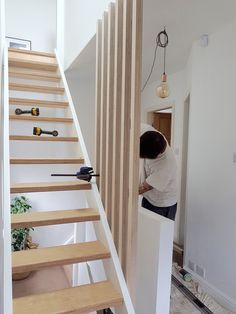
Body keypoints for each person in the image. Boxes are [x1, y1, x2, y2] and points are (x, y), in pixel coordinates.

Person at [139, 123, 177, 221]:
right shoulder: (148, 133)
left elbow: (143, 188)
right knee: (146, 227)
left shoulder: (166, 165)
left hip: (162, 204)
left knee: (160, 234)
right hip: (148, 198)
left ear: (156, 155)